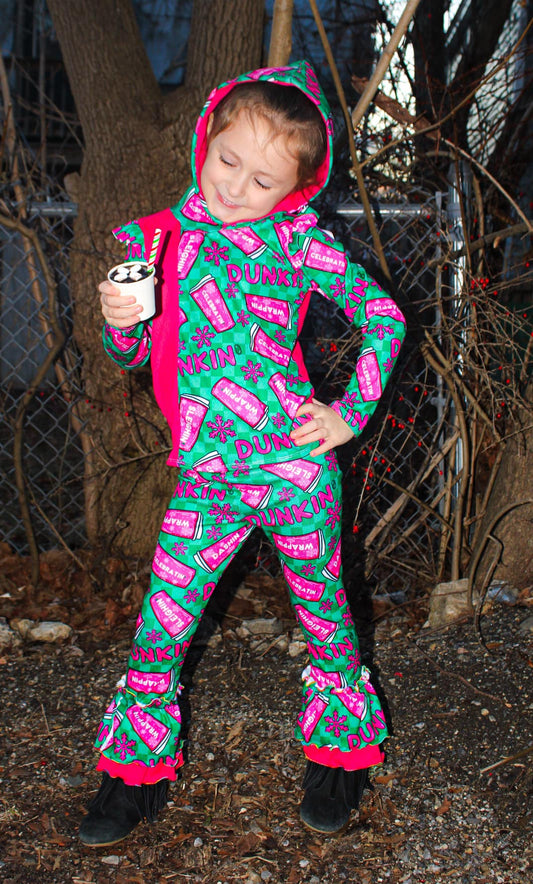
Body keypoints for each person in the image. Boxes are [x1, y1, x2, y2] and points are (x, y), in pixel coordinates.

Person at [79, 60, 406, 846]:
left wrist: (347, 414)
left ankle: (340, 759)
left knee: (325, 619)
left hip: (295, 473)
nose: (235, 187)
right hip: (208, 480)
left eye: (262, 180)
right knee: (160, 629)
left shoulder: (300, 242)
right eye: (227, 161)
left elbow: (384, 317)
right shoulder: (157, 241)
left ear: (295, 188)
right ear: (206, 140)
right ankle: (133, 778)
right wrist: (121, 322)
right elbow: (132, 355)